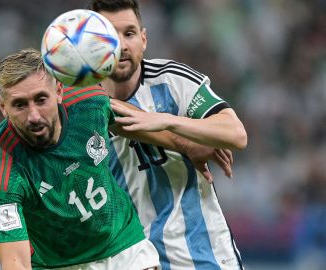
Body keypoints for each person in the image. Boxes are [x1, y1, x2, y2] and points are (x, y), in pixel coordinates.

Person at [88, 0, 248, 269]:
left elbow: (235, 134)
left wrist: (166, 121)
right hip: (132, 260)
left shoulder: (171, 81)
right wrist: (185, 143)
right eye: (109, 37)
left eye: (129, 34)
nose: (122, 46)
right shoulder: (83, 108)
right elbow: (114, 115)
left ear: (144, 38)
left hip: (203, 254)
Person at [0, 48, 161, 269]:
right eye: (20, 105)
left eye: (41, 99)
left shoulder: (89, 102)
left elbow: (143, 124)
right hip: (60, 265)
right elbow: (15, 260)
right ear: (2, 107)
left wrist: (189, 144)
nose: (33, 116)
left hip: (125, 248)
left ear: (59, 91)